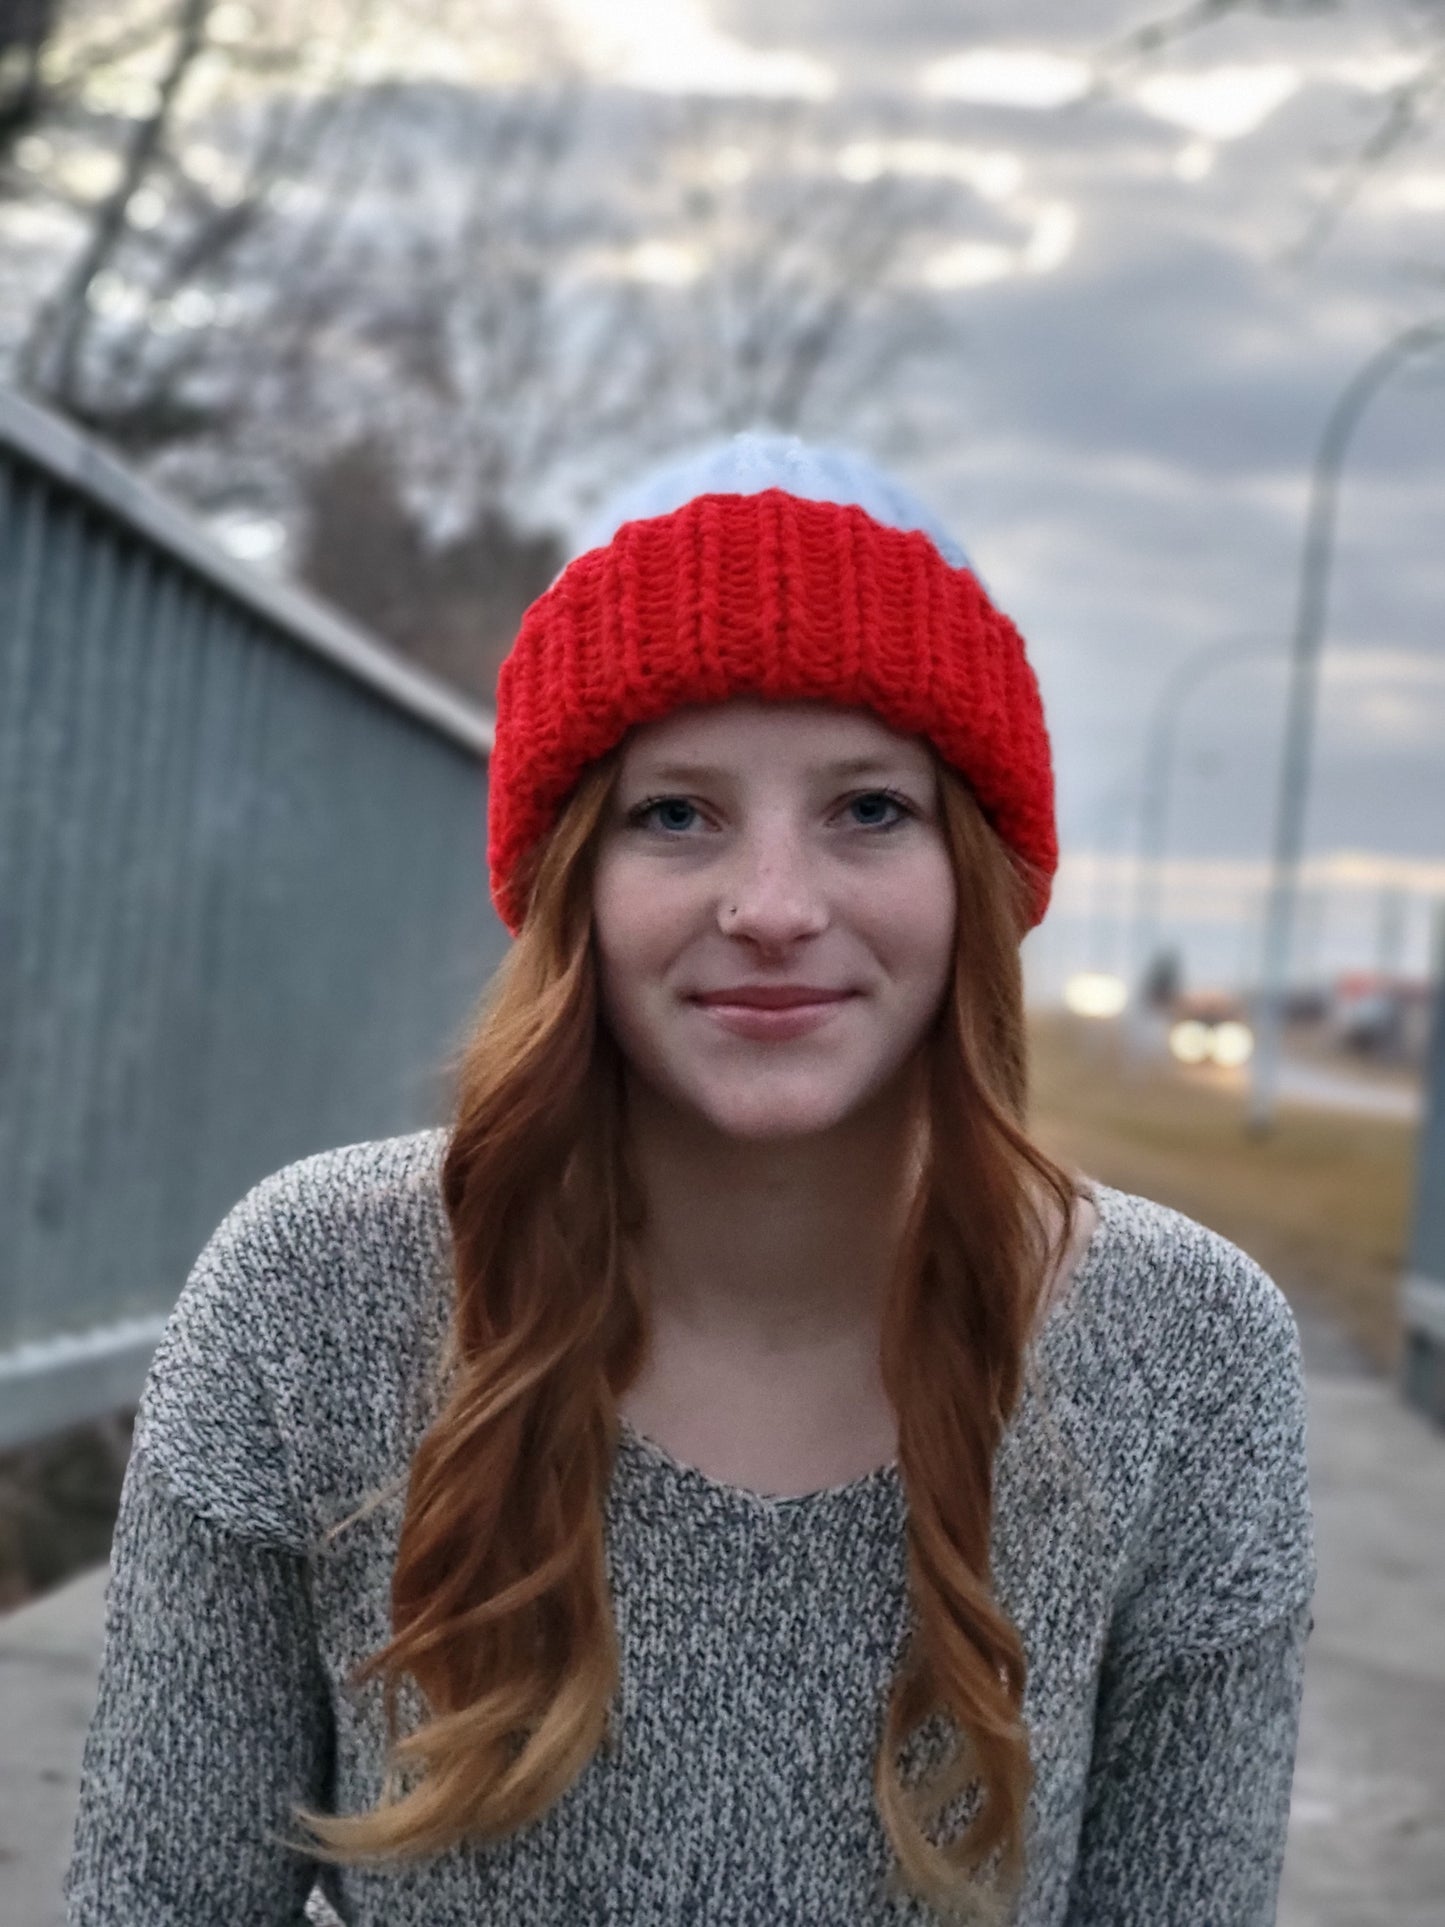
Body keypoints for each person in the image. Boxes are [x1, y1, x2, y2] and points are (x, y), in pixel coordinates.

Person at [63, 431, 1317, 1927]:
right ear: (570, 883)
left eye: (869, 808)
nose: (772, 907)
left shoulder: (1189, 1354)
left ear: (974, 876)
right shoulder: (308, 1299)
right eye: (675, 813)